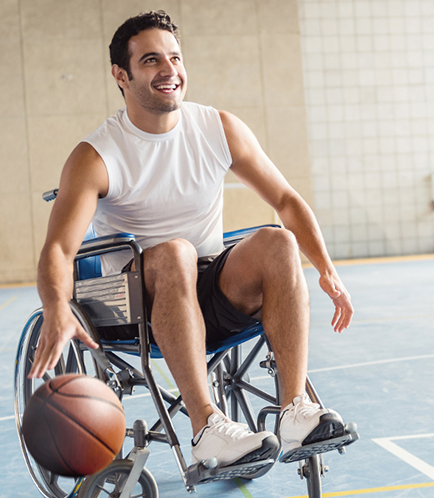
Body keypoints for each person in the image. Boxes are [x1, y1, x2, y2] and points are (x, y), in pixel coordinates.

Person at [27, 11, 353, 468]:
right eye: (151, 60)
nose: (169, 70)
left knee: (277, 241)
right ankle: (206, 427)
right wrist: (57, 306)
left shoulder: (216, 128)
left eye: (175, 58)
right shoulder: (96, 155)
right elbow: (59, 249)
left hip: (208, 288)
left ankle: (294, 411)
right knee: (175, 253)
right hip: (133, 300)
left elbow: (286, 199)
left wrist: (327, 270)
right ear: (121, 75)